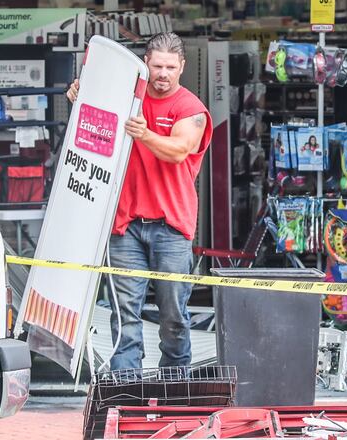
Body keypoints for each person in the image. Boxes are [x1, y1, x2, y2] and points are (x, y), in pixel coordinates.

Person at [67, 32, 213, 372]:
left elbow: (178, 151)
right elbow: (92, 114)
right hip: (126, 224)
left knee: (173, 314)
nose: (163, 74)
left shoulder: (191, 109)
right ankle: (126, 385)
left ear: (182, 67)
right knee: (125, 313)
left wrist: (145, 134)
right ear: (145, 63)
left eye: (170, 67)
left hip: (172, 227)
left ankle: (175, 383)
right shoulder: (126, 98)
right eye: (157, 65)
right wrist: (79, 95)